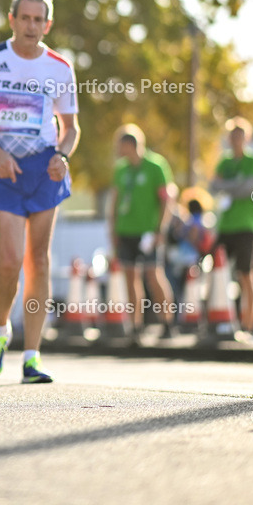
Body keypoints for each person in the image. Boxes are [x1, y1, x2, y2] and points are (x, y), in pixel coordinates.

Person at [0, 0, 79, 384]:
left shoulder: (60, 67)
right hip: (3, 169)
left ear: (48, 25)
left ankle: (32, 356)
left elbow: (71, 128)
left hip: (44, 169)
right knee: (9, 260)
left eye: (38, 19)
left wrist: (62, 156)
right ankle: (0, 329)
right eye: (24, 18)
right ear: (12, 20)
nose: (31, 26)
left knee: (39, 260)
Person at [107, 124, 179, 343]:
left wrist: (160, 230)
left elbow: (166, 200)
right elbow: (115, 201)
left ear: (131, 145)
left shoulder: (156, 166)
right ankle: (135, 326)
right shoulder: (121, 169)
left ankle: (167, 323)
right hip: (126, 231)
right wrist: (113, 230)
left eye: (120, 145)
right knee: (130, 279)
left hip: (148, 233)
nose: (118, 150)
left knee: (153, 275)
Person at [210, 116, 253, 340]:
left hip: (246, 225)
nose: (236, 140)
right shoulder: (224, 162)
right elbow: (213, 186)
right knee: (214, 268)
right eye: (232, 136)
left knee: (245, 274)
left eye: (239, 136)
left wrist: (227, 187)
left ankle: (249, 324)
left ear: (246, 138)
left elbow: (248, 188)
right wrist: (235, 186)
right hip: (226, 225)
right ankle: (218, 320)